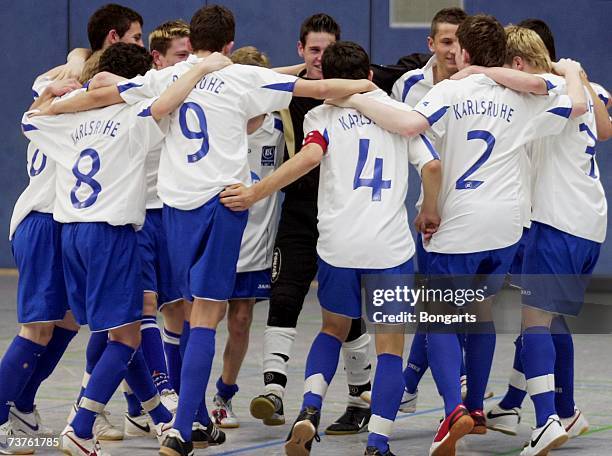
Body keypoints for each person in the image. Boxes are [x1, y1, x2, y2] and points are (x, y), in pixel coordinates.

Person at [44, 5, 377, 455]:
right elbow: (315, 88)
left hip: (174, 208)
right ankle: (183, 426)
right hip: (222, 204)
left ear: (192, 42)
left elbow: (104, 90)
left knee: (177, 315)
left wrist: (59, 99)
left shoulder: (166, 77)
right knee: (208, 317)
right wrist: (365, 84)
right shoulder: (242, 77)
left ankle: (170, 416)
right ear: (229, 45)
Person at [325, 14, 587, 455]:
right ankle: (476, 408)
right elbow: (574, 104)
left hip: (458, 222)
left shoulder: (447, 91)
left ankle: (453, 411)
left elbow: (409, 127)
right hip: (506, 225)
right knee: (480, 312)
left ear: (463, 52)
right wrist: (572, 71)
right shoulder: (521, 98)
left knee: (438, 318)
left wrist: (357, 98)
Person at [220, 40, 441, 456]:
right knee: (389, 346)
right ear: (371, 76)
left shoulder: (321, 116)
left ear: (327, 78)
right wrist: (430, 208)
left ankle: (309, 408)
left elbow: (307, 159)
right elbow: (431, 165)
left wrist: (254, 193)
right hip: (388, 247)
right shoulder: (398, 115)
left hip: (337, 243)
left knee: (331, 329)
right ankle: (377, 442)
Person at [22, 43, 231, 456]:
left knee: (114, 331)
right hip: (112, 234)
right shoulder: (134, 116)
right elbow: (167, 99)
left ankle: (149, 413)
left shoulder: (73, 118)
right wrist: (202, 68)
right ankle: (80, 425)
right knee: (127, 337)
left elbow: (30, 121)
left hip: (70, 234)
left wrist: (57, 98)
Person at [476, 25, 608, 454]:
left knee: (533, 323)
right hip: (590, 225)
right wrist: (579, 75)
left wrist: (479, 70)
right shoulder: (588, 86)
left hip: (557, 222)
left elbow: (536, 84)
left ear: (515, 63)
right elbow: (604, 128)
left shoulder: (549, 90)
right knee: (549, 319)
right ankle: (557, 409)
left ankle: (544, 419)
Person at [252, 13, 374, 435]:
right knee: (283, 295)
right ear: (301, 50)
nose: (321, 58)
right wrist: (299, 73)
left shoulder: (361, 90)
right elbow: (250, 77)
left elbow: (423, 66)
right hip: (300, 210)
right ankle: (273, 390)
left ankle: (361, 397)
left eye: (328, 50)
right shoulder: (287, 90)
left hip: (343, 214)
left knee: (344, 310)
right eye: (313, 50)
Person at [389, 7, 468, 414]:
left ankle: (424, 383)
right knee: (436, 302)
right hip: (430, 211)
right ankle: (429, 384)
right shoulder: (409, 86)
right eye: (446, 41)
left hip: (479, 211)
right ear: (431, 44)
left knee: (454, 304)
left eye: (459, 41)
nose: (453, 50)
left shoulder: (483, 85)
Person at [0, 77, 81, 455]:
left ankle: (23, 405)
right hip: (43, 221)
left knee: (66, 321)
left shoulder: (50, 103)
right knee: (36, 330)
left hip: (64, 223)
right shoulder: (70, 107)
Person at [121, 19, 192, 439]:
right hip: (139, 214)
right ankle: (159, 393)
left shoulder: (190, 89)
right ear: (158, 59)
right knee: (142, 306)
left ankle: (150, 403)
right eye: (181, 55)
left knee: (178, 308)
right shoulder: (142, 88)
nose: (189, 62)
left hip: (172, 212)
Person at [209, 46, 286, 429]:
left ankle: (224, 394)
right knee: (204, 320)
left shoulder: (279, 128)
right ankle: (183, 396)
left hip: (256, 245)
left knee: (240, 321)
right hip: (216, 242)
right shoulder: (218, 122)